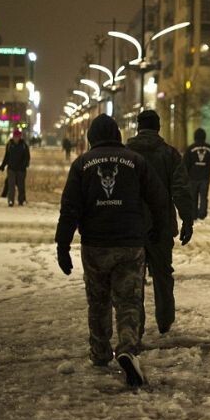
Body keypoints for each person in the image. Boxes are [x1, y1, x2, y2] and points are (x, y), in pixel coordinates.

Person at [55, 114, 169, 387]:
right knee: (129, 300)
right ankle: (128, 347)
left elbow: (70, 208)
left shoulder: (82, 164)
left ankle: (100, 351)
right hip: (130, 243)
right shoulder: (136, 161)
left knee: (98, 300)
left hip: (95, 244)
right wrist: (158, 229)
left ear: (91, 137)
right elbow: (158, 197)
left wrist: (63, 245)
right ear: (117, 135)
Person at [126, 110, 194, 336]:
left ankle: (137, 323)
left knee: (133, 277)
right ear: (158, 127)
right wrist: (187, 220)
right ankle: (165, 319)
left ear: (138, 127)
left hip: (132, 225)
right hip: (161, 224)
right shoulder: (169, 154)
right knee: (163, 274)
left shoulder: (126, 154)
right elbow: (181, 189)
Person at [184, 128, 210, 220]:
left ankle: (193, 214)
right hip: (205, 176)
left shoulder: (190, 148)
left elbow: (185, 163)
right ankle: (202, 213)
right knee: (204, 196)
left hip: (193, 177)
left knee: (193, 196)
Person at [0, 129, 30, 207]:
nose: (16, 138)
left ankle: (21, 200)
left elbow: (27, 157)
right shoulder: (9, 145)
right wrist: (3, 166)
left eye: (18, 136)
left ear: (20, 137)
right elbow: (6, 157)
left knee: (21, 186)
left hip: (21, 170)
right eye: (15, 136)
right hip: (11, 169)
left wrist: (25, 165)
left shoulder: (24, 145)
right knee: (11, 186)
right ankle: (10, 201)